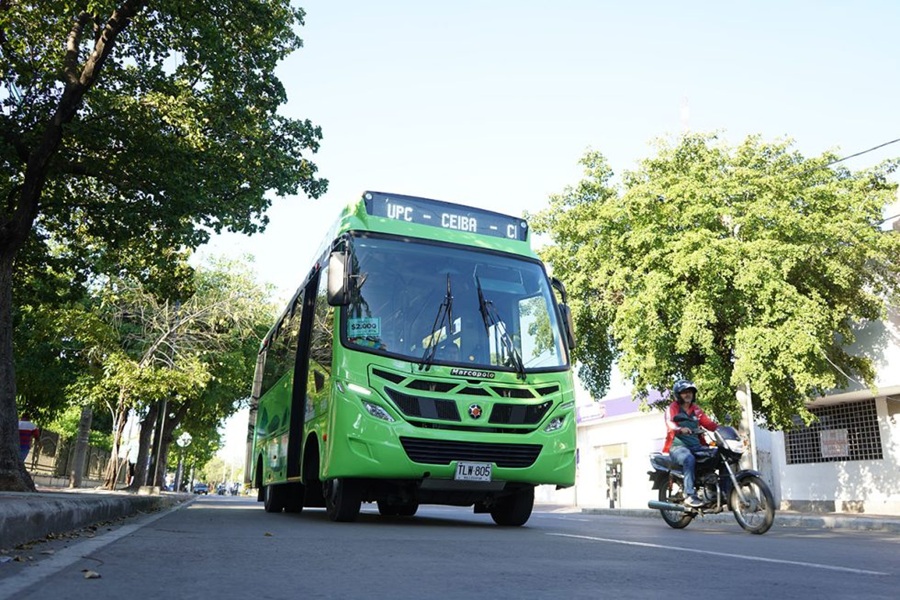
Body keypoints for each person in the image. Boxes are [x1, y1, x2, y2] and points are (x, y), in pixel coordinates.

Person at [662, 380, 718, 508]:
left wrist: (723, 429)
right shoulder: (673, 408)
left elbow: (708, 423)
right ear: (678, 395)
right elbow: (670, 423)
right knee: (688, 458)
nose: (688, 395)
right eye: (684, 392)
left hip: (696, 446)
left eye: (690, 392)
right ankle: (689, 495)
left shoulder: (696, 409)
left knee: (717, 454)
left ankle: (717, 490)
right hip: (678, 447)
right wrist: (679, 429)